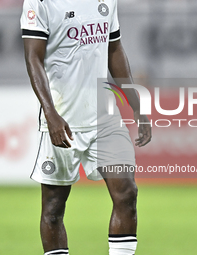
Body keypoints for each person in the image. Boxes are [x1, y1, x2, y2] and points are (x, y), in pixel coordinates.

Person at [21, 0, 151, 254]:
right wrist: (51, 114)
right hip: (62, 117)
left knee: (127, 194)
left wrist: (136, 104)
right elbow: (33, 56)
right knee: (54, 208)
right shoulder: (41, 2)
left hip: (104, 116)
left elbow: (114, 49)